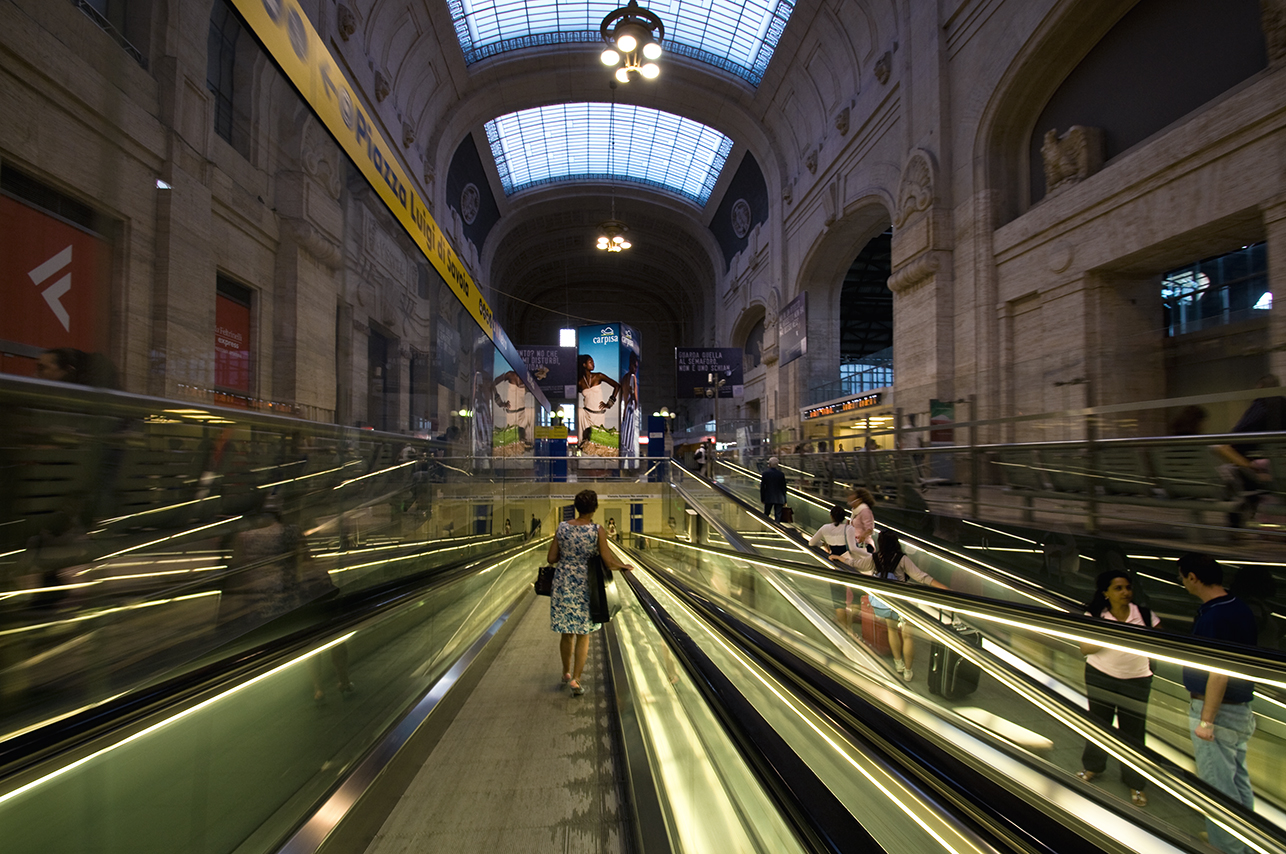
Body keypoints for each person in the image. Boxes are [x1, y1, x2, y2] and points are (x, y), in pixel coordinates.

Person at [1178, 552, 1258, 854]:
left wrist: (1206, 721)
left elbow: (1219, 673)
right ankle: (1245, 842)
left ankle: (1227, 848)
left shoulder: (1215, 616)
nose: (1182, 582)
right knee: (1238, 784)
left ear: (1193, 578)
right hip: (1240, 711)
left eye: (1182, 577)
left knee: (1218, 790)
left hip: (1218, 712)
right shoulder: (1237, 607)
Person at [1076, 570, 1160, 807]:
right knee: (1099, 724)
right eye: (1118, 588)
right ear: (1106, 593)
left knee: (1133, 733)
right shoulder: (1095, 615)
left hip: (1137, 679)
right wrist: (1111, 632)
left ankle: (1135, 782)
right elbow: (1085, 648)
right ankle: (1093, 767)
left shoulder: (1143, 614)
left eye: (1127, 588)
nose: (1125, 592)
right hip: (1100, 676)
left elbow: (1160, 642)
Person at [547, 489, 633, 696]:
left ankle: (566, 672)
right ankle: (577, 678)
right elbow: (607, 561)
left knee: (566, 632)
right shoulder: (596, 530)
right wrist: (623, 565)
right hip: (587, 585)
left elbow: (551, 558)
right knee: (583, 634)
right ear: (594, 509)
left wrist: (569, 559)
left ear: (577, 507)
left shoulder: (562, 528)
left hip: (564, 583)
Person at [848, 531, 947, 681]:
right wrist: (945, 589)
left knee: (892, 631)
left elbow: (855, 564)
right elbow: (922, 577)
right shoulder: (902, 559)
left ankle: (898, 663)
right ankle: (908, 670)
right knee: (908, 637)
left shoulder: (875, 558)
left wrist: (838, 557)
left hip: (886, 602)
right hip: (903, 602)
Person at [808, 503, 858, 637]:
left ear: (831, 516)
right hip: (849, 564)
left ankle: (845, 633)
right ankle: (849, 629)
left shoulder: (825, 528)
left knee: (839, 598)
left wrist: (823, 544)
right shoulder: (849, 528)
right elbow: (853, 548)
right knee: (855, 597)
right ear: (843, 517)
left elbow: (811, 543)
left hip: (833, 564)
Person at [760, 456, 788, 521]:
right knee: (778, 515)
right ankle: (777, 529)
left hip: (768, 497)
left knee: (766, 514)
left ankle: (764, 527)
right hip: (779, 498)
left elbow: (763, 487)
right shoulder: (781, 474)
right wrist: (785, 500)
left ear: (769, 464)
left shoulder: (765, 474)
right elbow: (784, 488)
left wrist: (762, 498)